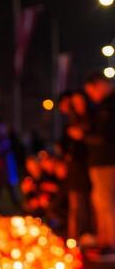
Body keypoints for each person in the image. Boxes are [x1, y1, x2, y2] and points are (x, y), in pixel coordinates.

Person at [82, 72, 115, 251]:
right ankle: (105, 239)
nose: (92, 97)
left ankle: (110, 242)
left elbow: (106, 134)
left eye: (91, 92)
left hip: (107, 161)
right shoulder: (103, 105)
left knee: (106, 202)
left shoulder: (109, 106)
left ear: (100, 84)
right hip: (100, 161)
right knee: (101, 202)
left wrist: (87, 136)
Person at [58, 89, 93, 242]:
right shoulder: (71, 122)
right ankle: (75, 237)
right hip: (75, 166)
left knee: (82, 202)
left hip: (83, 165)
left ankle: (81, 236)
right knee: (76, 203)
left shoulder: (88, 120)